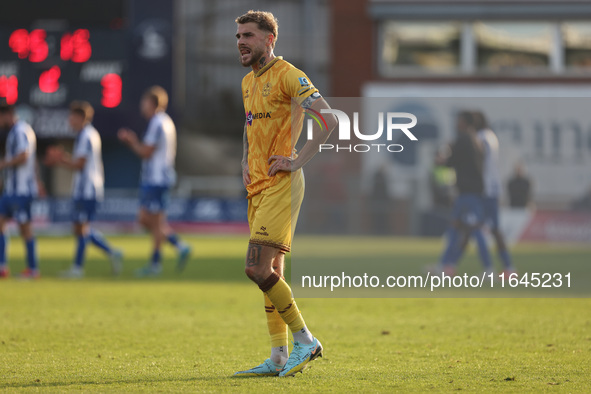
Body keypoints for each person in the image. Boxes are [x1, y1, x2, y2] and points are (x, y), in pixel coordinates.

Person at [233, 10, 337, 377]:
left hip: (281, 184)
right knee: (271, 271)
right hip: (257, 186)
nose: (241, 42)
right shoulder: (248, 82)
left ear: (269, 40)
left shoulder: (290, 76)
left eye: (248, 35)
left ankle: (306, 341)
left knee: (255, 267)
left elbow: (329, 119)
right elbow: (249, 126)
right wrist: (246, 159)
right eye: (239, 37)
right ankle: (278, 355)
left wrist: (297, 161)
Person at [118, 86, 191, 277]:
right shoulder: (166, 122)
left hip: (156, 179)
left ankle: (156, 263)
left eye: (144, 102)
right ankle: (178, 246)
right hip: (162, 177)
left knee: (150, 221)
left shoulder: (156, 123)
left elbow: (146, 152)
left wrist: (131, 141)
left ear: (152, 103)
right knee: (150, 221)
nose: (142, 106)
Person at [45, 101, 123, 278]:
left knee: (81, 228)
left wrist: (60, 160)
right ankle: (112, 252)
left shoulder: (86, 135)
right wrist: (64, 158)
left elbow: (80, 164)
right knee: (80, 228)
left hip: (88, 189)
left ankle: (78, 268)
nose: (69, 121)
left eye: (72, 117)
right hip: (85, 189)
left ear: (80, 118)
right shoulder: (86, 134)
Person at [432, 111, 493, 275]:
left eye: (458, 121)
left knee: (474, 229)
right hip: (471, 192)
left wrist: (441, 160)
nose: (456, 124)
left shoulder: (464, 138)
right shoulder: (477, 140)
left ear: (465, 123)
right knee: (456, 228)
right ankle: (446, 266)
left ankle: (488, 268)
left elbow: (450, 162)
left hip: (469, 193)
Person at [0, 99, 39, 279]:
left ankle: (32, 268)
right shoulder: (13, 132)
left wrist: (4, 163)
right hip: (11, 190)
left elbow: (24, 156)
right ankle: (2, 266)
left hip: (21, 190)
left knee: (25, 228)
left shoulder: (21, 130)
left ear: (7, 115)